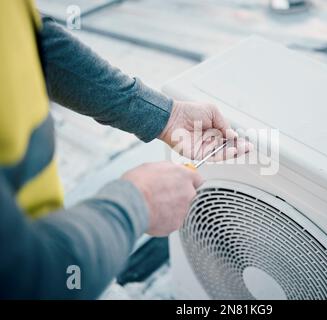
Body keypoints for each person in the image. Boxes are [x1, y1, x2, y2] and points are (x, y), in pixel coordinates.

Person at [0, 0, 249, 299]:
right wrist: (137, 204)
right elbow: (20, 278)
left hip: (68, 244)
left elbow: (29, 40)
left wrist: (162, 116)